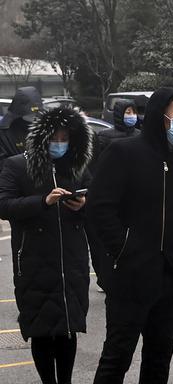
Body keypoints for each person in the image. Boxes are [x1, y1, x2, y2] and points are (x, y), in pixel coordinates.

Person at [87, 87, 173, 383]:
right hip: (131, 275)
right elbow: (100, 208)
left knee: (159, 357)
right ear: (159, 115)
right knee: (117, 356)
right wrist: (123, 250)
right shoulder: (124, 152)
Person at [0, 107, 92, 384]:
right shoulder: (17, 166)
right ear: (42, 138)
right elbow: (4, 205)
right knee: (41, 327)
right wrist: (43, 201)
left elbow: (98, 201)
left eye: (65, 138)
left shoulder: (77, 167)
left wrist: (83, 205)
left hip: (72, 259)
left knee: (68, 327)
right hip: (33, 260)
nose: (60, 143)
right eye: (55, 137)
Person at [91, 99, 140, 174]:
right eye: (128, 112)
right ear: (119, 114)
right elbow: (97, 163)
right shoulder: (105, 135)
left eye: (134, 112)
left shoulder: (139, 134)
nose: (132, 115)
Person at [0, 86, 43, 167]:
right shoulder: (5, 132)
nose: (33, 117)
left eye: (36, 113)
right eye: (29, 113)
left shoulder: (43, 128)